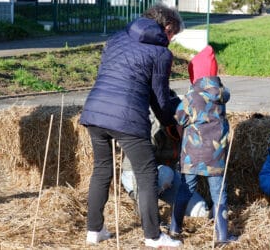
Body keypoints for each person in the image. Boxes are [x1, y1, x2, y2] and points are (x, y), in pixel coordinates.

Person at [79, 3, 184, 248]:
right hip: (127, 118)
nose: (171, 40)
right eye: (173, 35)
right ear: (167, 28)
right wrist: (171, 124)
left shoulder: (116, 38)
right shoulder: (161, 54)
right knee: (147, 175)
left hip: (95, 111)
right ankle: (153, 236)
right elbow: (159, 98)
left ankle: (94, 231)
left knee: (102, 169)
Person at [169, 45, 237, 244]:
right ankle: (222, 235)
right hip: (216, 154)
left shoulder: (192, 96)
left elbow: (179, 118)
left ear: (195, 73)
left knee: (185, 190)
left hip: (192, 153)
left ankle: (175, 228)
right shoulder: (221, 95)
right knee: (219, 195)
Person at [121, 110, 210, 218]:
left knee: (200, 210)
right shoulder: (156, 131)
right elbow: (140, 167)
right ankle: (143, 206)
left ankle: (153, 197)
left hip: (165, 179)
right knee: (166, 173)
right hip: (135, 175)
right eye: (188, 126)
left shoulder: (188, 136)